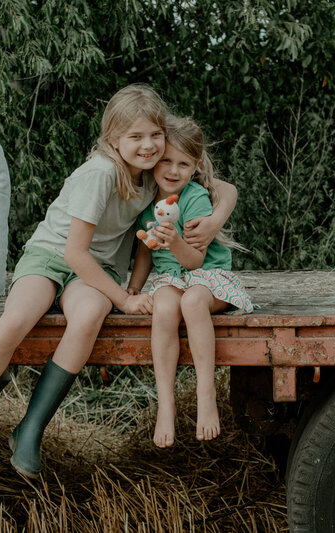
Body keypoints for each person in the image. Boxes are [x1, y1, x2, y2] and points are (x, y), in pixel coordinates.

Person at [0, 85, 237, 478]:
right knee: (17, 319)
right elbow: (73, 254)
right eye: (135, 137)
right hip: (53, 256)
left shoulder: (156, 173)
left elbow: (222, 186)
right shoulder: (101, 173)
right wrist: (127, 300)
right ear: (113, 139)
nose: (148, 146)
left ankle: (30, 429)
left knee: (90, 314)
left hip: (97, 271)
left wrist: (215, 220)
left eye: (155, 136)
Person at [127, 115, 254, 448]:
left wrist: (175, 242)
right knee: (165, 305)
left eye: (183, 164)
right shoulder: (149, 202)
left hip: (208, 278)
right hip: (173, 279)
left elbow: (196, 260)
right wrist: (134, 288)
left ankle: (206, 394)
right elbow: (144, 251)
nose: (172, 170)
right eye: (166, 160)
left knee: (191, 300)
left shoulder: (194, 197)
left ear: (195, 166)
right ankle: (165, 404)